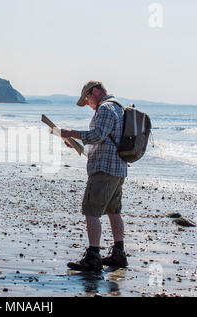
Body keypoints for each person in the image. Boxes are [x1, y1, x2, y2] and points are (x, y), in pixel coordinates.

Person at [50, 80, 128, 271]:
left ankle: (93, 256)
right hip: (118, 168)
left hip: (104, 168)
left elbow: (97, 135)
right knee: (113, 211)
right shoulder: (119, 108)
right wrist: (78, 143)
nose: (87, 104)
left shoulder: (106, 108)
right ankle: (119, 254)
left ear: (94, 92)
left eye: (87, 99)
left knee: (91, 211)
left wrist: (69, 133)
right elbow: (106, 138)